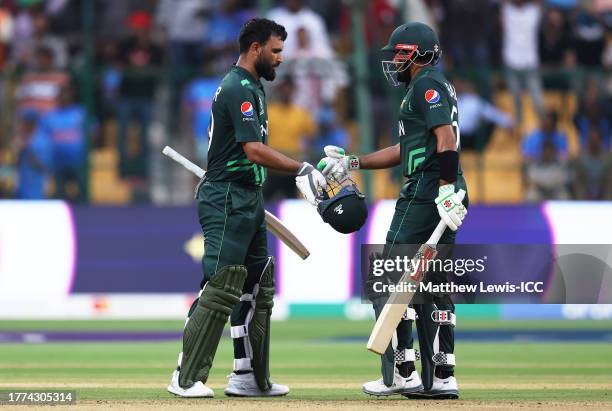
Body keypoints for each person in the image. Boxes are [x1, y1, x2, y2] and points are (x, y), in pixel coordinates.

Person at [166, 18, 327, 398]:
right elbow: (252, 150)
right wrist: (302, 167)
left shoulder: (252, 86)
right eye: (275, 51)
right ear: (255, 49)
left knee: (257, 288)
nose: (281, 58)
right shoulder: (238, 87)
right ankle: (185, 377)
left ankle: (248, 377)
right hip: (225, 197)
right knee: (220, 286)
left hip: (249, 195)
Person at [318, 22, 467, 399]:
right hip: (441, 189)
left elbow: (445, 140)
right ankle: (442, 375)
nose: (395, 61)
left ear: (420, 54)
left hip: (426, 190)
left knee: (387, 277)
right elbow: (405, 149)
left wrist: (445, 188)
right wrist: (354, 163)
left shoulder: (426, 85)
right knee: (433, 284)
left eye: (401, 53)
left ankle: (402, 371)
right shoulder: (429, 87)